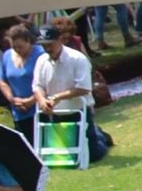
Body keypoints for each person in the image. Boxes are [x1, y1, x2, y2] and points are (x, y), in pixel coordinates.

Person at [31, 19, 106, 162]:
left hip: (77, 110)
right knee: (65, 157)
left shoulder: (77, 58)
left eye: (50, 44)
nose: (47, 49)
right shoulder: (41, 60)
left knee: (93, 155)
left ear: (59, 40)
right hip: (54, 113)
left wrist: (57, 97)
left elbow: (83, 88)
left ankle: (99, 135)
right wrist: (41, 100)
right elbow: (37, 86)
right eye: (44, 45)